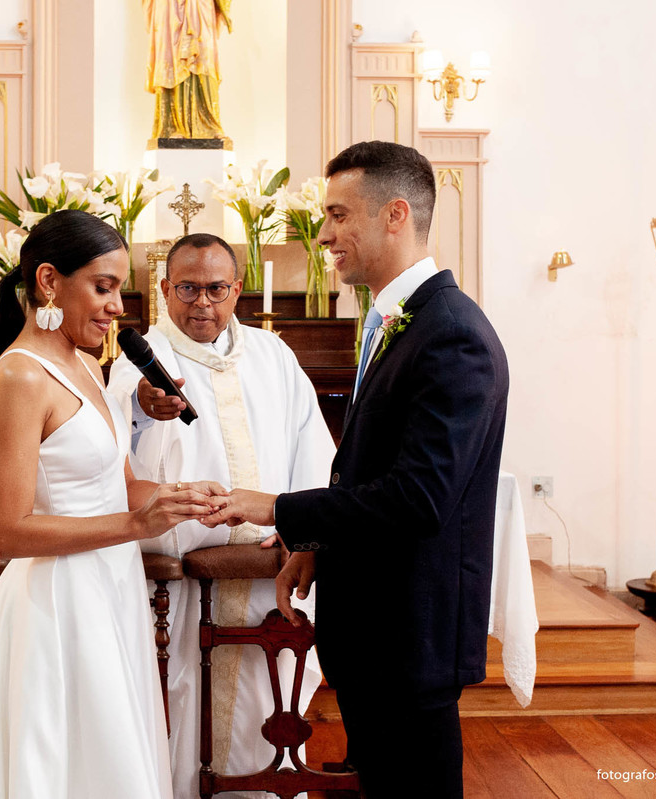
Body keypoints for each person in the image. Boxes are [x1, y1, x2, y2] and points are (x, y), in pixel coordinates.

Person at [203, 141, 510, 798]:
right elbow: (370, 471)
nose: (323, 234)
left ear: (395, 213)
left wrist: (279, 508)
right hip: (381, 634)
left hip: (411, 636)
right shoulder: (400, 319)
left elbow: (419, 498)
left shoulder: (451, 332)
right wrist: (316, 541)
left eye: (339, 214)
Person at [0, 210, 226, 798]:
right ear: (48, 282)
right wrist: (136, 523)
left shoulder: (88, 364)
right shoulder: (20, 376)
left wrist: (177, 497)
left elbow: (118, 484)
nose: (117, 306)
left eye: (119, 289)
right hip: (58, 604)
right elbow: (7, 533)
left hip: (110, 588)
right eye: (104, 287)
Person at [108, 233, 335, 799]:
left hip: (267, 569)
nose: (201, 303)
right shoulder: (138, 362)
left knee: (270, 699)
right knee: (182, 702)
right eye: (187, 288)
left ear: (238, 290)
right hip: (183, 583)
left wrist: (302, 530)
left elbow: (313, 448)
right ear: (164, 289)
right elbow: (113, 451)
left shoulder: (273, 354)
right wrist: (142, 405)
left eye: (216, 289)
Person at [143, 0, 230, 141]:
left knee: (203, 58)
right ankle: (171, 126)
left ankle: (210, 124)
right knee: (171, 57)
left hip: (200, 6)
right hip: (169, 6)